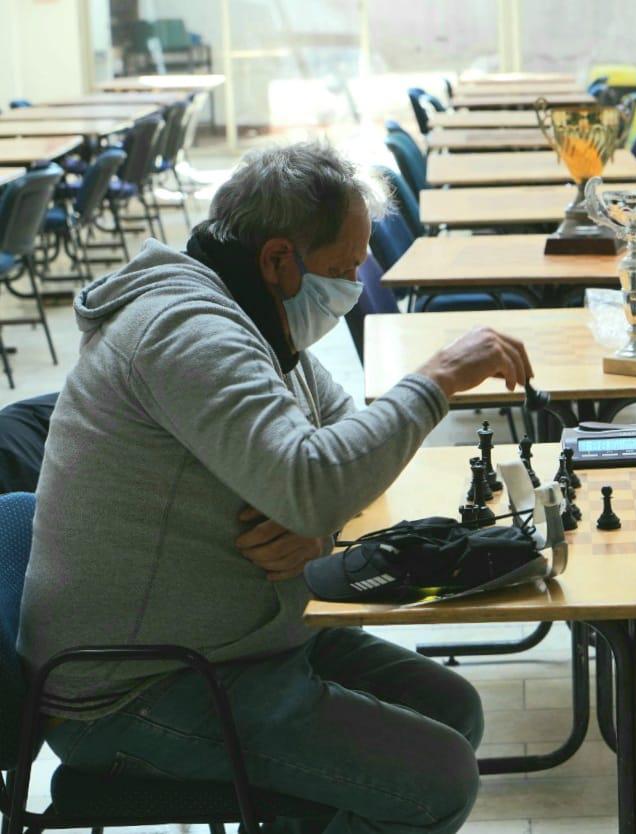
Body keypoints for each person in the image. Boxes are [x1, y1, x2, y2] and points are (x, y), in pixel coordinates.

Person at [19, 142, 535, 834]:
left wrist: (316, 524)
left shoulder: (254, 315)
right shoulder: (187, 330)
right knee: (437, 780)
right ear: (277, 259)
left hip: (237, 643)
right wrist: (435, 380)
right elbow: (317, 477)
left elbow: (340, 448)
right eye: (343, 270)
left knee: (451, 709)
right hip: (138, 687)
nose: (351, 287)